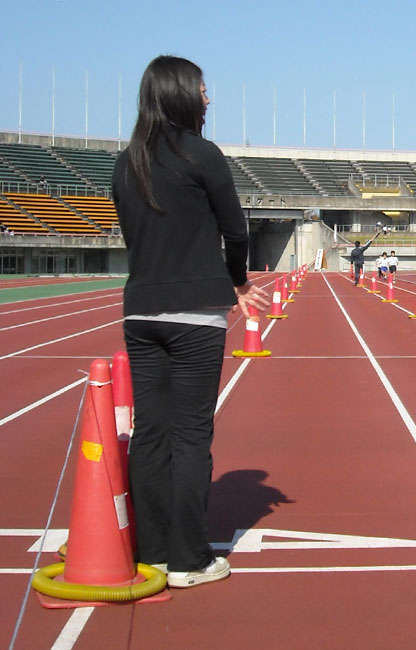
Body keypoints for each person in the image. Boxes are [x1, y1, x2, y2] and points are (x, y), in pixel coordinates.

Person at [111, 55, 269, 589]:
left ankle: (151, 552)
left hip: (139, 311)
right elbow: (236, 228)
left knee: (150, 434)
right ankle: (189, 559)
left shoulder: (124, 161)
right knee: (191, 434)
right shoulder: (202, 154)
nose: (209, 96)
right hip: (195, 314)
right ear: (182, 93)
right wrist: (237, 280)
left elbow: (135, 234)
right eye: (203, 88)